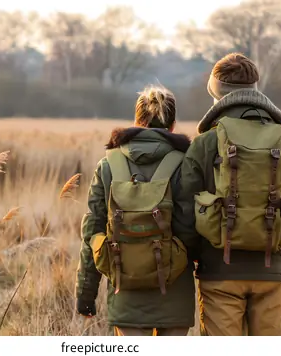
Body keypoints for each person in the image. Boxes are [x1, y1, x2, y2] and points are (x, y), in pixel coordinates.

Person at [173, 53, 281, 336]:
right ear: (256, 88)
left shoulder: (205, 145)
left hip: (219, 274)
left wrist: (199, 258)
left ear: (215, 93)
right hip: (273, 275)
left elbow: (184, 215)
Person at [75, 85, 197, 336]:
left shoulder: (108, 165)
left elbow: (92, 232)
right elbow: (193, 230)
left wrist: (86, 294)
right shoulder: (186, 164)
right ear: (172, 125)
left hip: (125, 291)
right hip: (175, 294)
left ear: (137, 121)